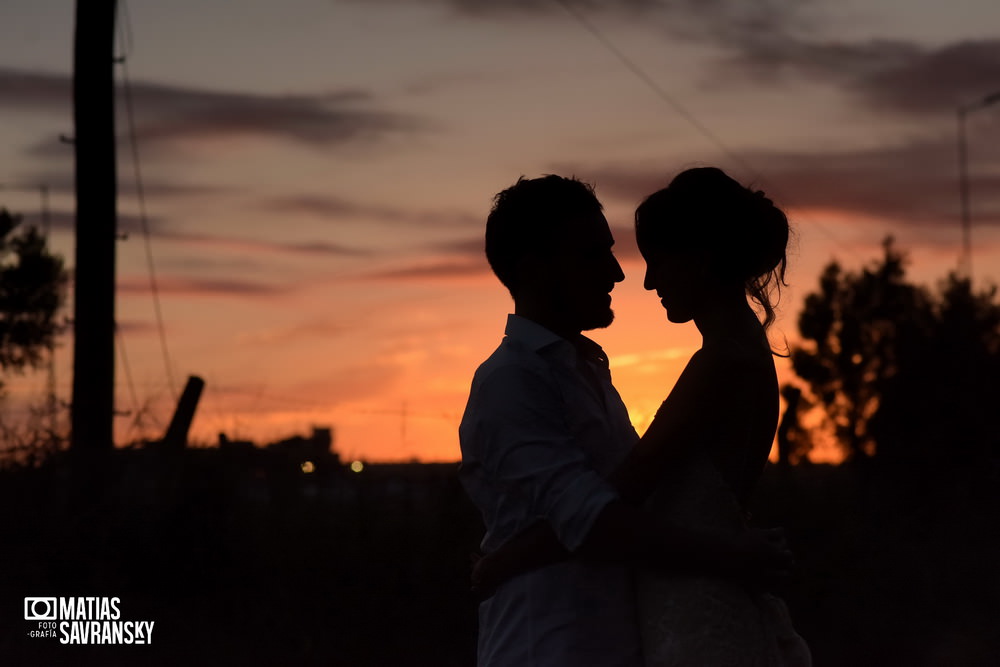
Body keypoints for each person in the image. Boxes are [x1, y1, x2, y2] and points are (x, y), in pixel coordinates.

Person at [459, 174, 793, 667]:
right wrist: (733, 553)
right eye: (593, 255)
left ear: (700, 259)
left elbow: (620, 501)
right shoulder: (512, 381)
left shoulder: (603, 372)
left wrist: (505, 560)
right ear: (533, 269)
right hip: (549, 645)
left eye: (649, 258)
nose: (624, 275)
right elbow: (597, 516)